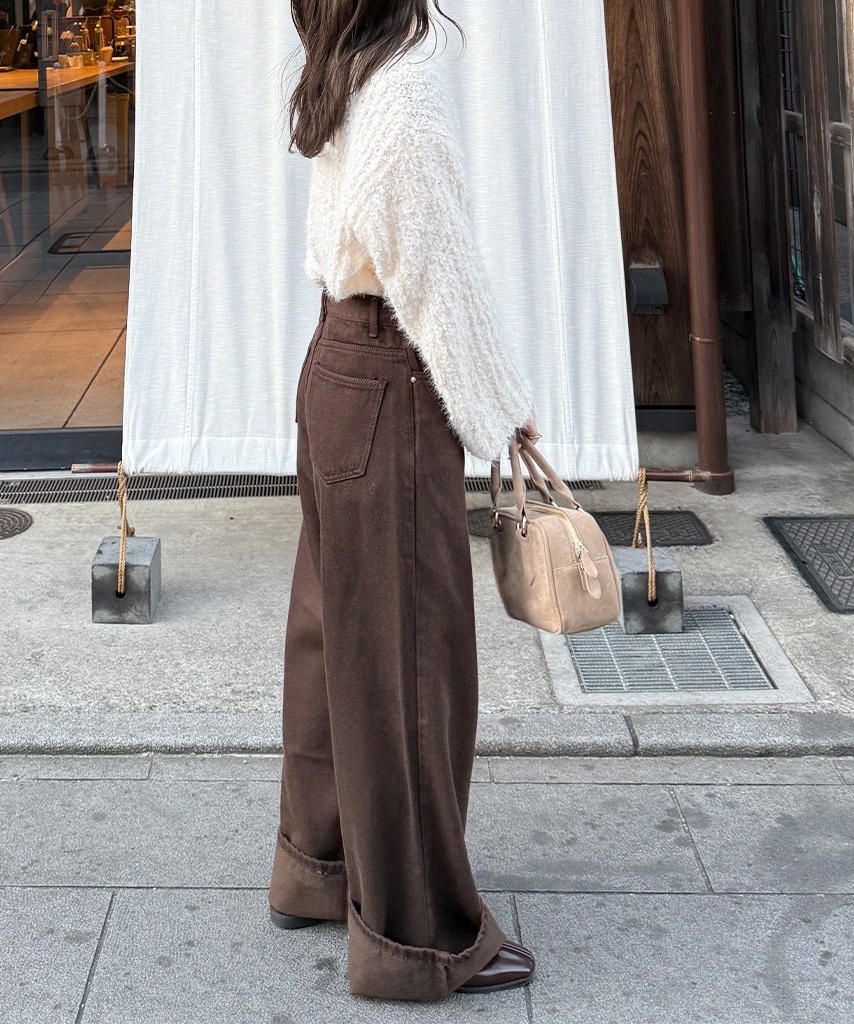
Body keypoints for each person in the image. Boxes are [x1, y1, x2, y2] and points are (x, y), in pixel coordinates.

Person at [269, 0, 539, 1003]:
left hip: (336, 363)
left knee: (333, 636)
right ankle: (416, 938)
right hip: (391, 371)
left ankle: (317, 867)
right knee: (410, 662)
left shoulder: (341, 65)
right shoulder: (405, 76)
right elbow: (433, 267)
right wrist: (501, 407)